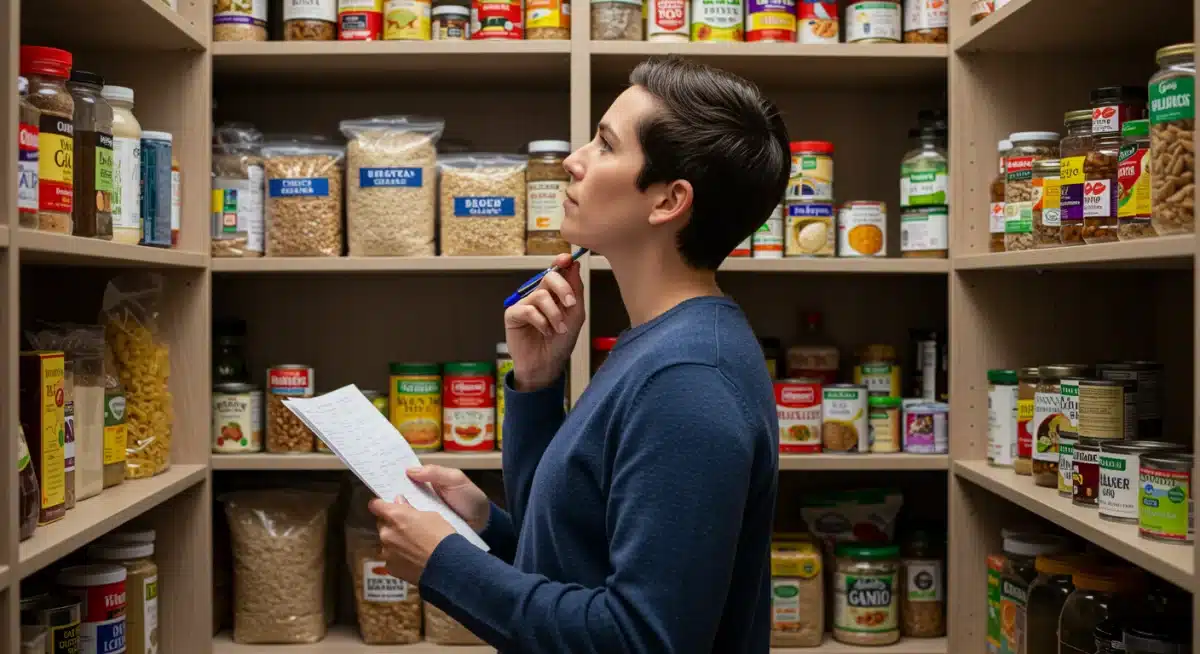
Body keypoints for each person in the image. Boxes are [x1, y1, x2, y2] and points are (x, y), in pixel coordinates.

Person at [369, 55, 788, 653]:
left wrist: (444, 563)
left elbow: (640, 638)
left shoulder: (690, 381)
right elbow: (578, 565)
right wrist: (535, 394)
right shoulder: (659, 343)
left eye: (605, 144)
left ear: (668, 200)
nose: (573, 159)